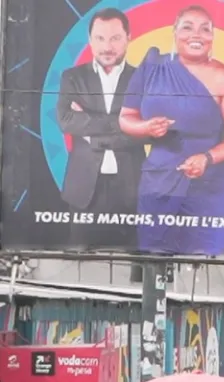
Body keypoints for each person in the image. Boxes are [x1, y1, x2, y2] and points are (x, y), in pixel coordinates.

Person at [117, 5, 224, 256]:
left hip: (212, 181)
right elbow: (126, 117)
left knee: (199, 263)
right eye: (187, 27)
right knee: (154, 257)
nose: (196, 35)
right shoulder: (152, 66)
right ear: (174, 32)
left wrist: (207, 158)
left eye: (205, 29)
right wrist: (145, 127)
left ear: (213, 37)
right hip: (158, 178)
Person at [57, 8, 144, 248]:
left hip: (131, 188)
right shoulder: (72, 77)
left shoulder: (143, 78)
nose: (107, 46)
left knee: (135, 268)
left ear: (129, 37)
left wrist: (91, 131)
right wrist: (121, 124)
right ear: (90, 40)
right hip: (83, 189)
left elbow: (145, 131)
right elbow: (66, 120)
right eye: (100, 38)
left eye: (115, 38)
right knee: (78, 265)